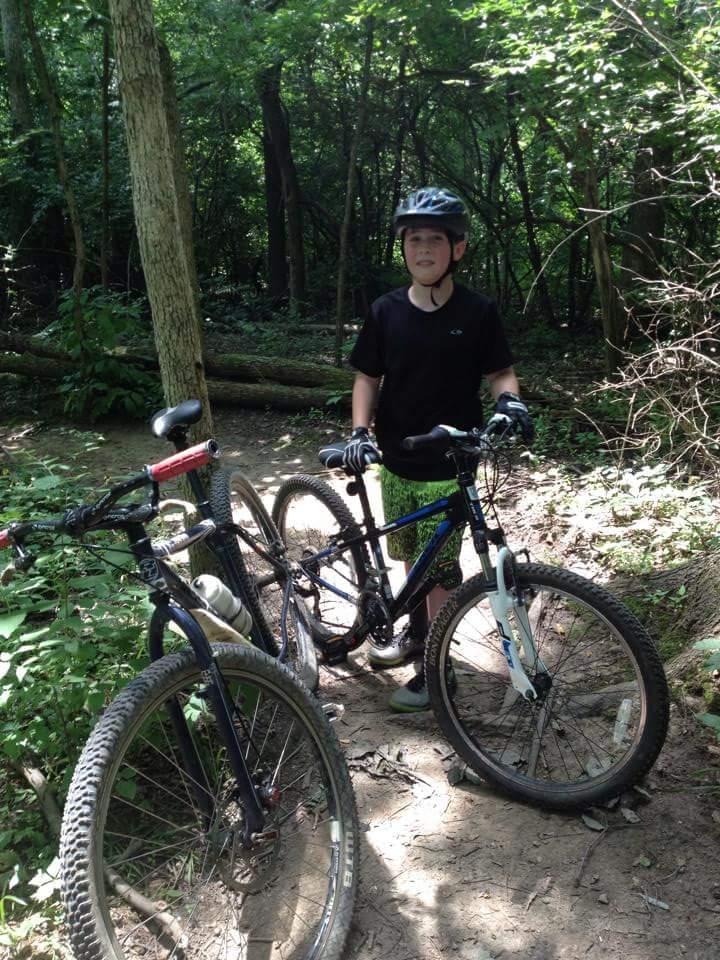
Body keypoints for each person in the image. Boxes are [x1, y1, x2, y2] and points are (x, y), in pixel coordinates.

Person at [343, 186, 533, 712]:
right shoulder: (385, 311)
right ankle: (416, 633)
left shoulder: (477, 312)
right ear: (402, 247)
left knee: (442, 572)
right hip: (396, 458)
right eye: (414, 240)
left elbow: (500, 373)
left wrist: (510, 404)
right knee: (414, 561)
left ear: (458, 248)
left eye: (435, 240)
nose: (423, 250)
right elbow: (367, 377)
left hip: (453, 460)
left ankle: (434, 665)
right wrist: (361, 432)